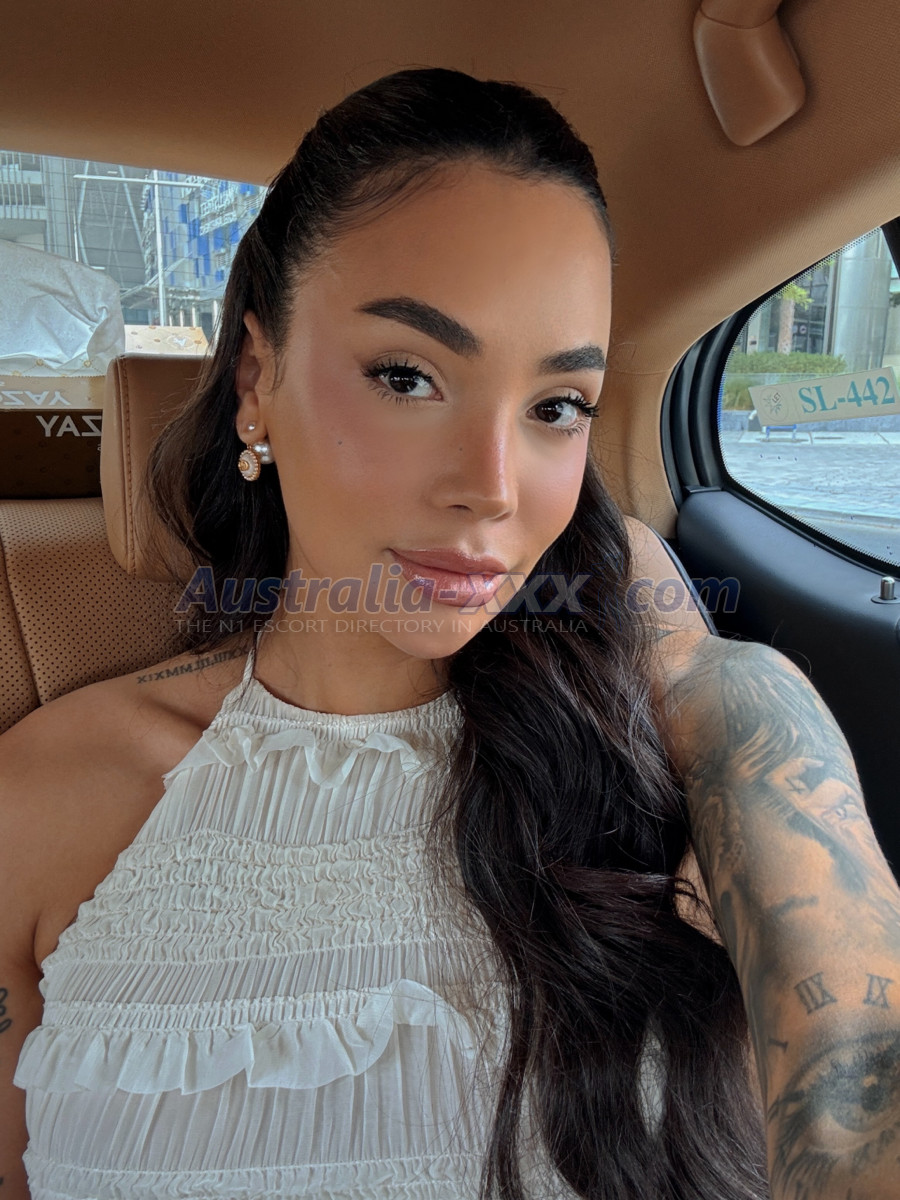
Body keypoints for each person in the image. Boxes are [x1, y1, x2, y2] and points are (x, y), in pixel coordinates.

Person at [1, 65, 899, 1200]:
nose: (493, 486)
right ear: (256, 380)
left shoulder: (655, 735)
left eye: (556, 407)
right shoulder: (44, 802)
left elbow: (857, 1076)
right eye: (407, 375)